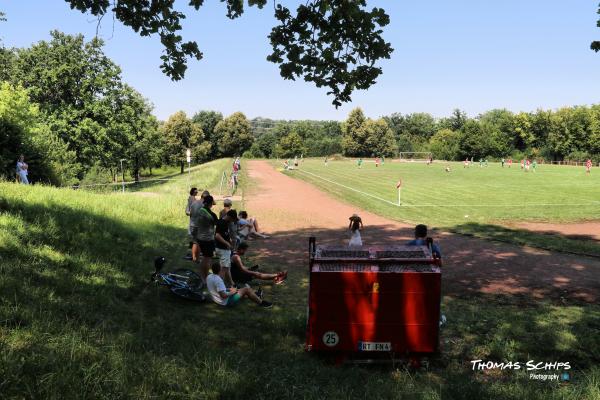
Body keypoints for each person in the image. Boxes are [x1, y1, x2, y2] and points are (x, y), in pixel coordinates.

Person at [207, 262, 272, 308]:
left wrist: (229, 289)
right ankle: (261, 303)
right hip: (225, 302)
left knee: (239, 290)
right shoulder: (219, 280)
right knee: (246, 289)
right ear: (220, 270)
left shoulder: (209, 276)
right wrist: (233, 292)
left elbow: (218, 289)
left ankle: (256, 294)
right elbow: (223, 295)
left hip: (216, 299)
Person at [190, 194, 218, 283]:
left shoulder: (200, 211)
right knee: (207, 259)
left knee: (205, 258)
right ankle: (204, 278)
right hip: (208, 239)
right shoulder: (211, 214)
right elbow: (217, 224)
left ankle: (203, 275)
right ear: (210, 204)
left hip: (199, 237)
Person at [215, 209, 238, 287]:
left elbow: (224, 235)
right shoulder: (222, 223)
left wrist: (229, 240)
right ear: (230, 217)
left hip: (224, 249)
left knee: (227, 267)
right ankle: (219, 286)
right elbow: (217, 236)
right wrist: (227, 243)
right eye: (232, 219)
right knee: (224, 268)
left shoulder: (224, 222)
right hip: (222, 249)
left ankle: (232, 283)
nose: (232, 221)